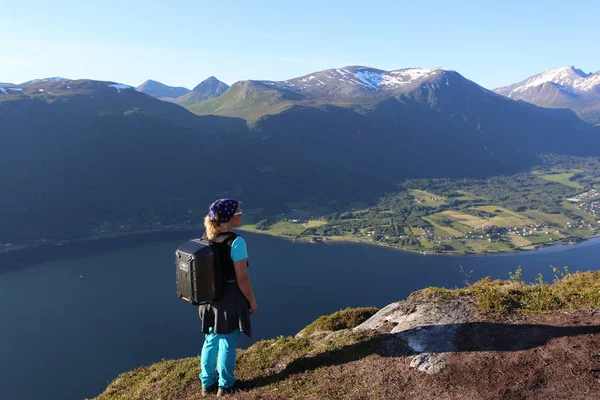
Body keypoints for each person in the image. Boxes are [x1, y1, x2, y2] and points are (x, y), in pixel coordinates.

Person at [199, 198, 258, 397]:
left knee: (211, 340)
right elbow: (242, 278)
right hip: (230, 298)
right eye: (239, 211)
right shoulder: (236, 242)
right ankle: (226, 385)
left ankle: (207, 384)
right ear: (229, 216)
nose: (241, 214)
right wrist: (251, 301)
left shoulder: (207, 238)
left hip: (208, 299)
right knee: (227, 342)